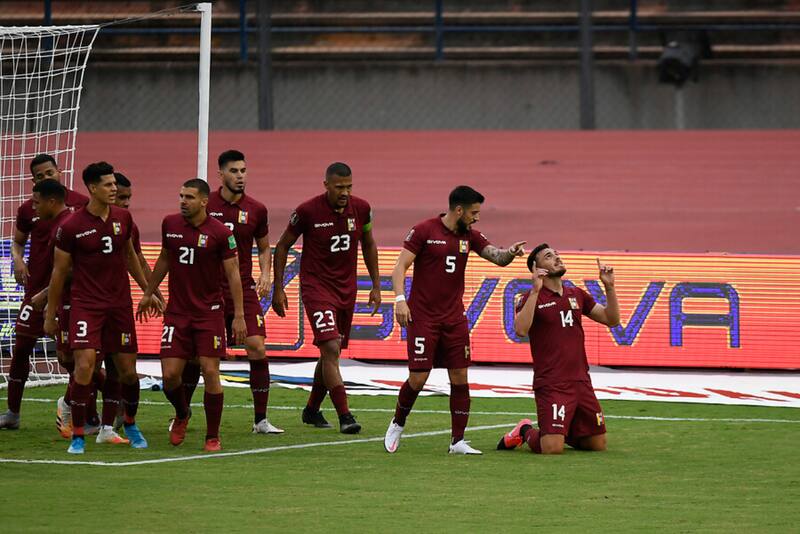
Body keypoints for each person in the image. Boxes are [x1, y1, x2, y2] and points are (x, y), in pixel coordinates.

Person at [383, 185, 526, 455]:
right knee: (418, 378)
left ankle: (457, 441)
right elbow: (399, 266)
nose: (477, 218)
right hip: (423, 317)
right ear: (458, 210)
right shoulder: (425, 230)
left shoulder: (469, 236)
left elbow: (496, 257)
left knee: (460, 376)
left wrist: (510, 253)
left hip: (454, 319)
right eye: (473, 212)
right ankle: (397, 424)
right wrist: (400, 299)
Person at [44, 162, 151, 454]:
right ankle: (78, 435)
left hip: (119, 305)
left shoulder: (123, 218)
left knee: (128, 372)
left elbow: (130, 258)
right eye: (108, 184)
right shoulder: (71, 226)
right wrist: (51, 312)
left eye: (114, 183)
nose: (114, 188)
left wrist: (148, 290)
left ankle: (127, 423)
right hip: (86, 305)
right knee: (84, 367)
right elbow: (59, 273)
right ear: (92, 188)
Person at [138, 178, 247, 452]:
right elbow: (165, 258)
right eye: (181, 196)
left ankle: (212, 435)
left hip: (209, 314)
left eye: (188, 197)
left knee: (211, 371)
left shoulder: (220, 233)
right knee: (170, 376)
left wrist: (239, 315)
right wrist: (149, 292)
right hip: (177, 313)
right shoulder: (170, 224)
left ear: (203, 201)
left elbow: (233, 273)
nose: (183, 201)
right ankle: (183, 413)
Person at [272, 162, 380, 434]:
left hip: (347, 290)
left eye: (349, 187)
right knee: (331, 347)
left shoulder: (362, 209)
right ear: (326, 185)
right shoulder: (307, 211)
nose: (345, 192)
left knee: (329, 352)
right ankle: (345, 415)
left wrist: (376, 285)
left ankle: (311, 410)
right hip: (316, 288)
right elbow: (283, 246)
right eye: (339, 187)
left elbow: (368, 243)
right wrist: (278, 288)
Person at [496, 244, 619, 454]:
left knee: (597, 445)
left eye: (557, 254)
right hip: (552, 383)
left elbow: (611, 319)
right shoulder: (530, 297)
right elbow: (520, 330)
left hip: (581, 381)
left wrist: (609, 287)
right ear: (537, 268)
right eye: (549, 256)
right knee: (552, 449)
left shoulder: (577, 294)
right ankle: (525, 430)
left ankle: (560, 431)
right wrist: (535, 290)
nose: (557, 258)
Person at [194, 149, 282, 434]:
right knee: (200, 357)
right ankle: (181, 414)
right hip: (207, 290)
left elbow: (265, 245)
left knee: (257, 347)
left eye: (243, 170)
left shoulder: (257, 209)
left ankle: (260, 420)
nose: (240, 176)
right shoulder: (205, 205)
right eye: (234, 171)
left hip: (243, 287)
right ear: (220, 174)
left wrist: (266, 273)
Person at [0, 154, 87, 430]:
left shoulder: (80, 205)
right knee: (21, 348)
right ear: (34, 180)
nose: (46, 178)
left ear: (59, 171)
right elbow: (17, 241)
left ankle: (86, 410)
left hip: (69, 294)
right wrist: (18, 260)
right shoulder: (29, 208)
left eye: (50, 172)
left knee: (74, 358)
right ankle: (12, 413)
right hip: (35, 291)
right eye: (40, 176)